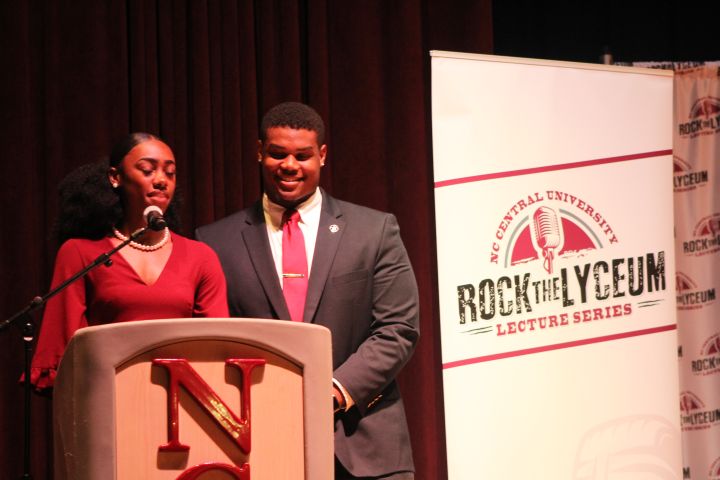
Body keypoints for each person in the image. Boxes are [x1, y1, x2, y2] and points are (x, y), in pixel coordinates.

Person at [196, 102, 419, 479]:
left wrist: (332, 392)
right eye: (278, 153)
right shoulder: (216, 242)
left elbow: (399, 329)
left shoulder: (374, 231)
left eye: (302, 155)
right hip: (260, 448)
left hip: (365, 445)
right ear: (259, 152)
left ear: (323, 155)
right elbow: (212, 343)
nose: (289, 165)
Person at [30, 133, 228, 391]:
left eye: (170, 173)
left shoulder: (201, 257)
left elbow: (215, 348)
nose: (161, 181)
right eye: (147, 170)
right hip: (106, 399)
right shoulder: (81, 254)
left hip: (184, 402)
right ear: (115, 177)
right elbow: (65, 354)